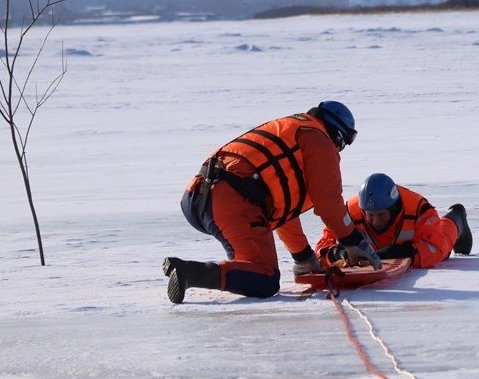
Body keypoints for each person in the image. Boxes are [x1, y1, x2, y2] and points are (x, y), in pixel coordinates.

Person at [163, 101, 381, 302]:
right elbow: (329, 202)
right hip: (231, 200)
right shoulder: (320, 141)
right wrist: (353, 239)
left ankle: (188, 272)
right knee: (264, 278)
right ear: (340, 136)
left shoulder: (291, 129)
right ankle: (188, 273)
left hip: (197, 196)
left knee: (247, 269)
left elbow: (282, 211)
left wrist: (304, 257)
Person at [315, 172, 472, 270]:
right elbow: (322, 247)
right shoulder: (347, 212)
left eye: (381, 215)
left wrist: (400, 252)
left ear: (394, 208)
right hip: (378, 248)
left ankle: (457, 215)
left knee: (445, 241)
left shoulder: (419, 209)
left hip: (423, 238)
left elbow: (435, 249)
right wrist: (339, 254)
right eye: (370, 215)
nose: (375, 221)